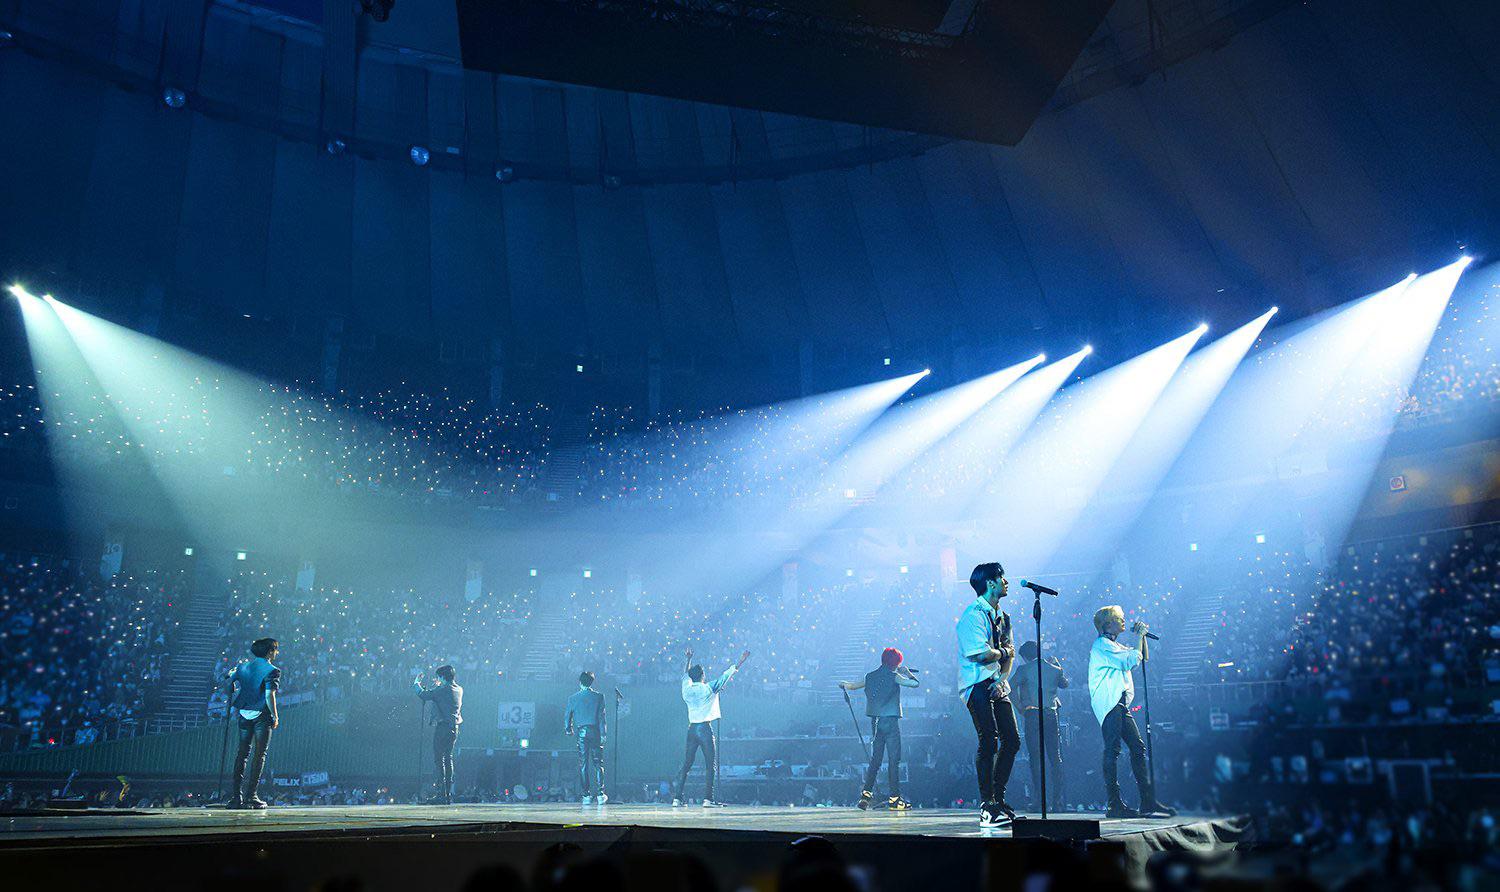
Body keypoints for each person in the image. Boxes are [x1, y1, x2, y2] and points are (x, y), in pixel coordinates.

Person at [1087, 606, 1174, 818]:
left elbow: (1141, 657)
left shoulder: (1115, 645)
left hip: (1120, 703)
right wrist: (1139, 639)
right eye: (1120, 619)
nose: (1124, 621)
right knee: (1113, 749)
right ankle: (1114, 803)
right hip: (1109, 702)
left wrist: (1141, 637)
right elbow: (1129, 660)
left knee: (1137, 747)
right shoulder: (1101, 645)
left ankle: (1147, 801)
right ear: (1108, 623)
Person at [956, 562, 1022, 827]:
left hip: (996, 683)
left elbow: (1009, 654)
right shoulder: (972, 615)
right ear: (990, 582)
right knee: (989, 740)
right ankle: (987, 805)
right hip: (976, 685)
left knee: (1013, 740)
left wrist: (1003, 678)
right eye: (1001, 577)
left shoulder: (1003, 617)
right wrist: (1003, 653)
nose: (1006, 581)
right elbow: (981, 654)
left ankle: (998, 799)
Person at [839, 646, 918, 810]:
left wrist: (843, 684)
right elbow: (915, 684)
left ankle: (865, 796)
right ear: (895, 663)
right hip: (890, 723)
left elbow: (852, 686)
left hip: (875, 722)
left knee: (875, 761)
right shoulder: (895, 676)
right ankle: (895, 799)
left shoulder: (870, 676)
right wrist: (907, 672)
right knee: (893, 761)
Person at [673, 647, 750, 808]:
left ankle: (677, 798)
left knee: (687, 764)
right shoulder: (708, 687)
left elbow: (684, 674)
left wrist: (688, 659)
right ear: (702, 676)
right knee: (710, 765)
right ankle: (708, 799)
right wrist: (740, 662)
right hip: (704, 729)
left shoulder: (685, 688)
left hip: (692, 729)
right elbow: (725, 676)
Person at [1012, 640, 1069, 812]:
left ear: (1025, 656)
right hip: (1051, 714)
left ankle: (1039, 802)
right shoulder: (1054, 669)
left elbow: (1009, 688)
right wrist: (1059, 666)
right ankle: (1058, 803)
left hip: (1033, 715)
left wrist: (1020, 706)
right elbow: (1064, 684)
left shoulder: (1024, 669)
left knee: (1035, 759)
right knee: (1055, 758)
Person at [227, 637, 280, 810]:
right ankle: (252, 796)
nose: (277, 653)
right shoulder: (272, 670)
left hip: (243, 713)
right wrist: (275, 715)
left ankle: (236, 798)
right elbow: (268, 695)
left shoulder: (242, 667)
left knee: (242, 754)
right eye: (275, 650)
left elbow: (229, 682)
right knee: (259, 755)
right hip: (261, 715)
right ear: (270, 652)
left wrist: (235, 682)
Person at [414, 664, 463, 804]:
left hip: (442, 728)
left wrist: (416, 682)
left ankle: (441, 793)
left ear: (442, 677)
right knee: (449, 758)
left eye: (438, 677)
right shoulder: (459, 689)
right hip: (454, 728)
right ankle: (447, 792)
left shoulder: (441, 689)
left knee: (438, 759)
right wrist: (438, 686)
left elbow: (423, 694)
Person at [565, 670, 608, 805]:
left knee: (583, 764)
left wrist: (568, 729)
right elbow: (602, 718)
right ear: (592, 682)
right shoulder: (599, 697)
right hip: (595, 732)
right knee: (598, 764)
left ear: (580, 682)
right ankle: (600, 794)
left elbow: (567, 716)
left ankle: (586, 795)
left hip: (581, 732)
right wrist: (604, 734)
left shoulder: (573, 698)